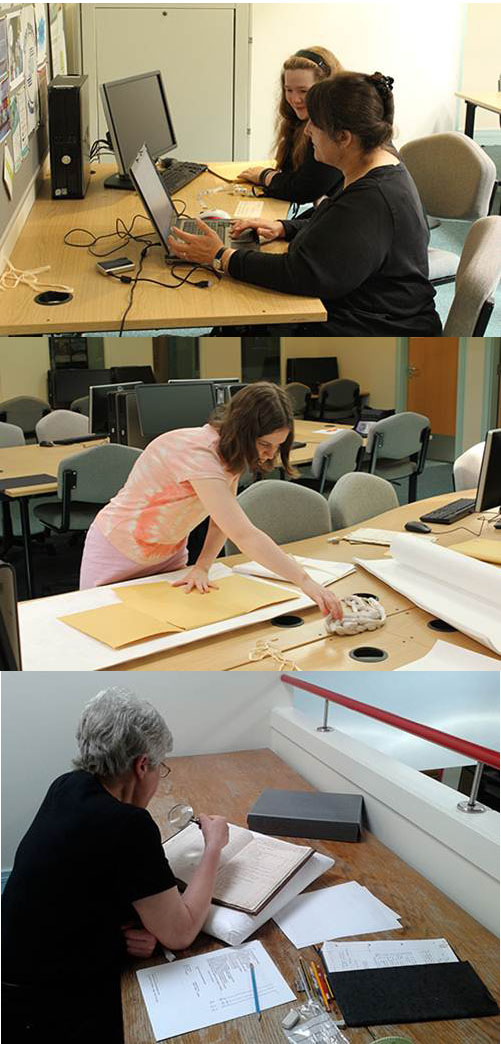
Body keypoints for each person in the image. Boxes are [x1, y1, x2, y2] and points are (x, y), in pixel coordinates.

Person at [2, 687, 230, 1043]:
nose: (158, 777)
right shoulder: (128, 826)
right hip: (43, 1007)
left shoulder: (67, 785)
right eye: (160, 768)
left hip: (15, 969)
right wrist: (213, 847)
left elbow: (79, 879)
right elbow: (180, 933)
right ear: (142, 766)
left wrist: (118, 932)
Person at [168, 73, 442, 337]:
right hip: (367, 308)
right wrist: (283, 227)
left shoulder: (371, 199)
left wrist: (221, 256)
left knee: (240, 316)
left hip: (375, 327)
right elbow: (336, 223)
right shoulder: (377, 164)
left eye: (315, 125)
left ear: (344, 138)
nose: (308, 131)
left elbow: (301, 274)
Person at [79, 383, 343, 620]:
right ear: (242, 430)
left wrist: (203, 567)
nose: (269, 455)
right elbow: (243, 534)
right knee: (104, 630)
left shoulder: (231, 453)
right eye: (265, 444)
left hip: (167, 555)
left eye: (277, 446)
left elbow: (221, 522)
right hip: (117, 551)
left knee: (171, 629)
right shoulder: (199, 454)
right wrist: (304, 580)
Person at [238, 46, 345, 204]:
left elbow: (304, 189)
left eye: (303, 91)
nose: (295, 99)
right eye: (289, 90)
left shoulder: (333, 127)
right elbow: (291, 172)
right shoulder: (301, 119)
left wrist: (264, 175)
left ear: (325, 89)